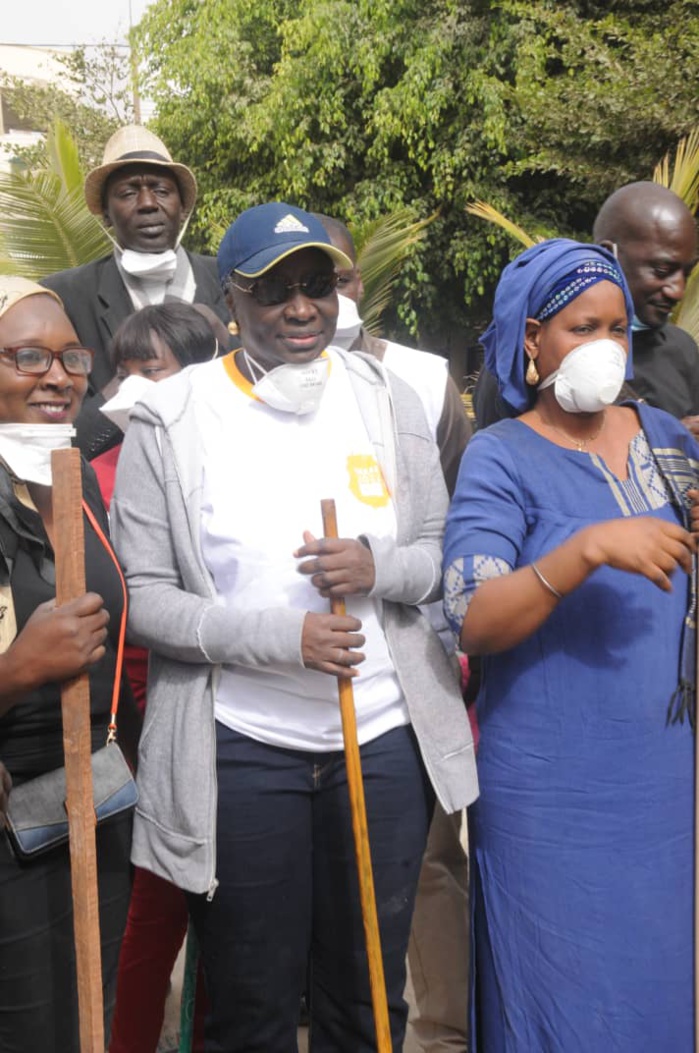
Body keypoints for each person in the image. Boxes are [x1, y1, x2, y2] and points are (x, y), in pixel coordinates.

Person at [111, 202, 478, 1052]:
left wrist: (375, 568)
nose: (301, 307)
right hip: (241, 748)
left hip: (380, 743)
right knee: (252, 1003)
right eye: (274, 291)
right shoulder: (173, 417)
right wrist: (285, 640)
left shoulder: (387, 399)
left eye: (316, 284)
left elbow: (438, 553)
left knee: (367, 995)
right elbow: (150, 601)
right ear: (230, 302)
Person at [444, 239, 698, 1050]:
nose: (605, 345)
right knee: (559, 993)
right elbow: (472, 616)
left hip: (661, 778)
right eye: (582, 327)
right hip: (551, 788)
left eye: (617, 328)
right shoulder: (500, 455)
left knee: (657, 985)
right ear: (532, 339)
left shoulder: (668, 440)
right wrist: (582, 551)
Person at [318, 212, 473, 1051]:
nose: (323, 296)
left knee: (430, 862)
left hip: (413, 667)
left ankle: (442, 1028)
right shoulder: (237, 386)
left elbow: (456, 523)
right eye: (300, 282)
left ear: (359, 282)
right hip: (297, 681)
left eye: (336, 276)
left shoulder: (420, 377)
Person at [0, 276, 134, 1052]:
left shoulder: (72, 474)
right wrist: (19, 668)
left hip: (91, 799)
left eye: (71, 357)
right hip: (8, 817)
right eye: (27, 357)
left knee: (92, 1016)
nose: (56, 376)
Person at [92, 302, 218, 1053]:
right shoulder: (96, 472)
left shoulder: (228, 458)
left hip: (227, 704)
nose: (131, 385)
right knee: (157, 902)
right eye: (124, 370)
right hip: (142, 714)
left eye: (152, 369)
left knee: (225, 912)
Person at [41, 125, 230, 459]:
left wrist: (226, 342)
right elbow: (55, 436)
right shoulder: (64, 297)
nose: (147, 204)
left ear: (183, 206)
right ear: (105, 214)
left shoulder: (230, 280)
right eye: (128, 193)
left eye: (161, 190)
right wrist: (128, 387)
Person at [473, 182, 699, 433]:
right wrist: (665, 440)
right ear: (609, 254)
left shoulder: (682, 351)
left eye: (686, 273)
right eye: (661, 270)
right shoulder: (522, 359)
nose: (677, 291)